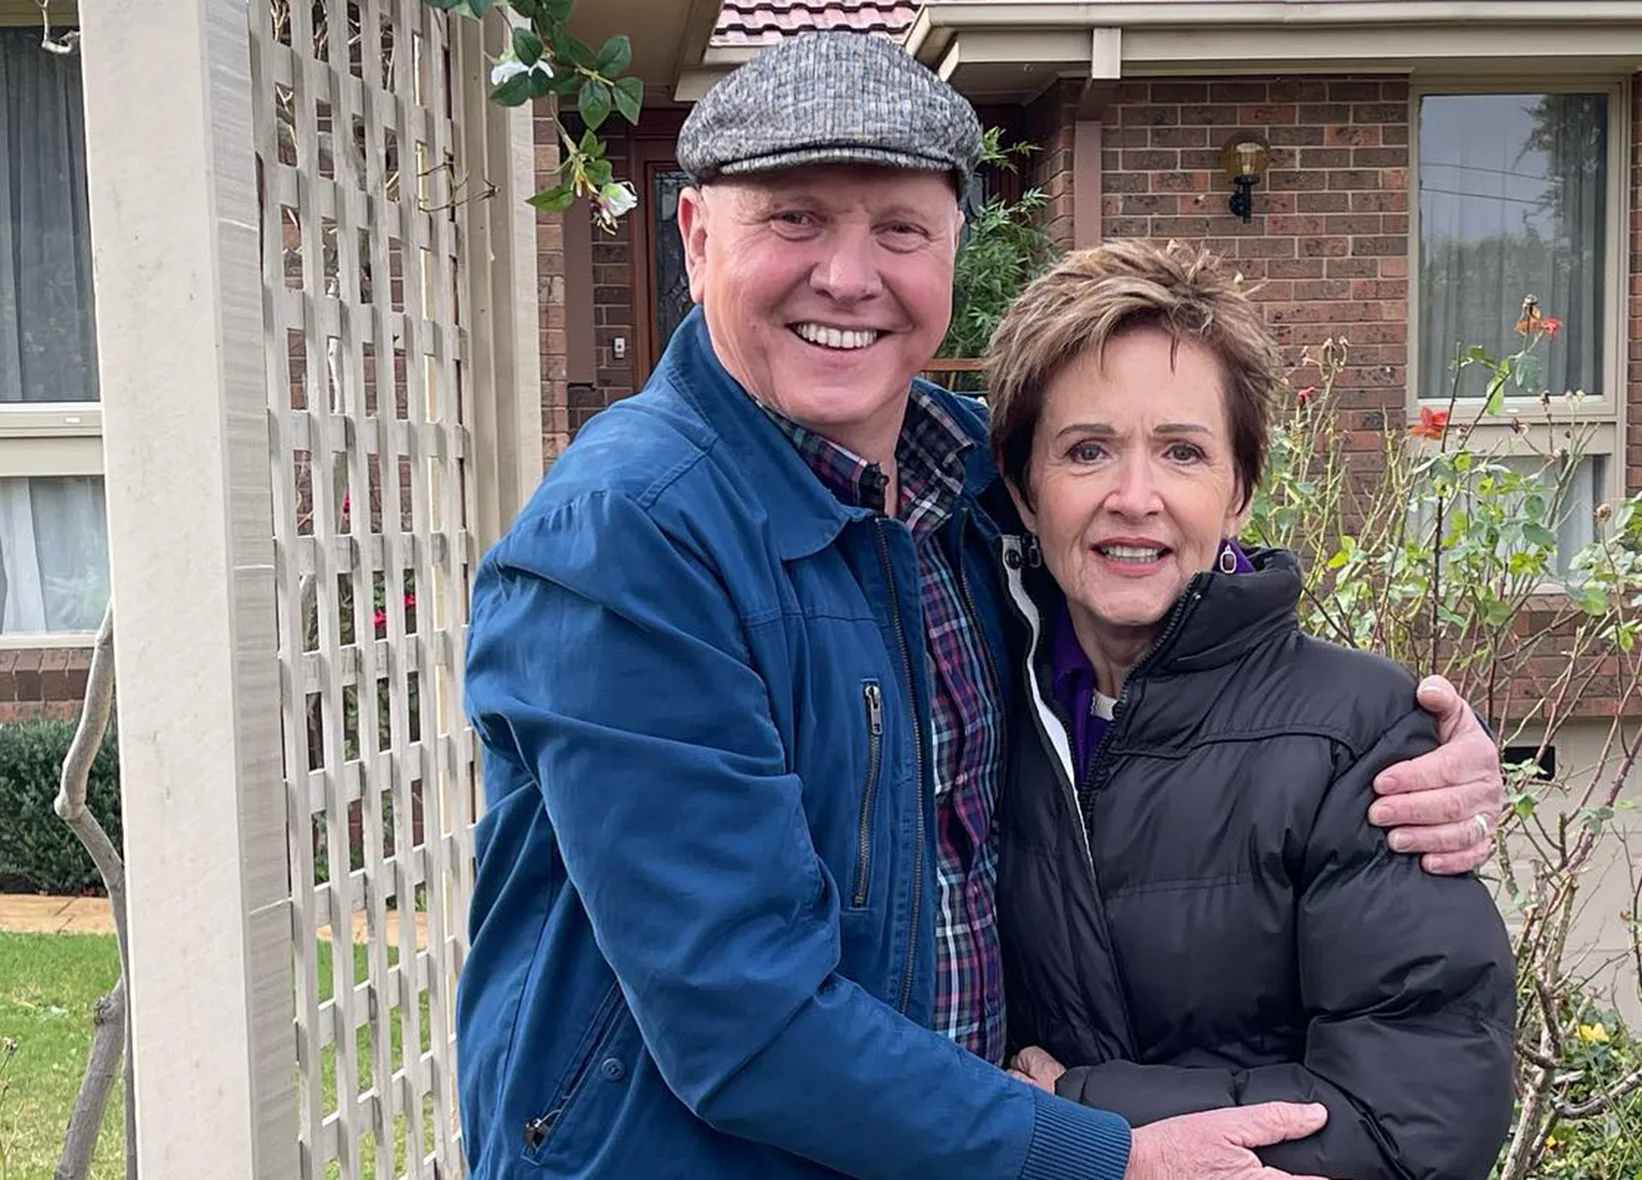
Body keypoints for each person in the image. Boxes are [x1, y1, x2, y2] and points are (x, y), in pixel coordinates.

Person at [456, 30, 1506, 1180]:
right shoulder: (629, 539)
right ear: (698, 235)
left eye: (900, 228)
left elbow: (1170, 620)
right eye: (795, 217)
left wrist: (1405, 751)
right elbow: (737, 1012)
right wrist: (1094, 1154)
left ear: (953, 248)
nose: (849, 277)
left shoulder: (974, 489)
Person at [982, 239, 1517, 1180]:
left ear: (1238, 491)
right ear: (1026, 490)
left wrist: (1079, 1111)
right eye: (1087, 450)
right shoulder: (971, 706)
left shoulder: (1361, 737)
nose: (1134, 498)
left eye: (1182, 452)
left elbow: (1417, 1131)